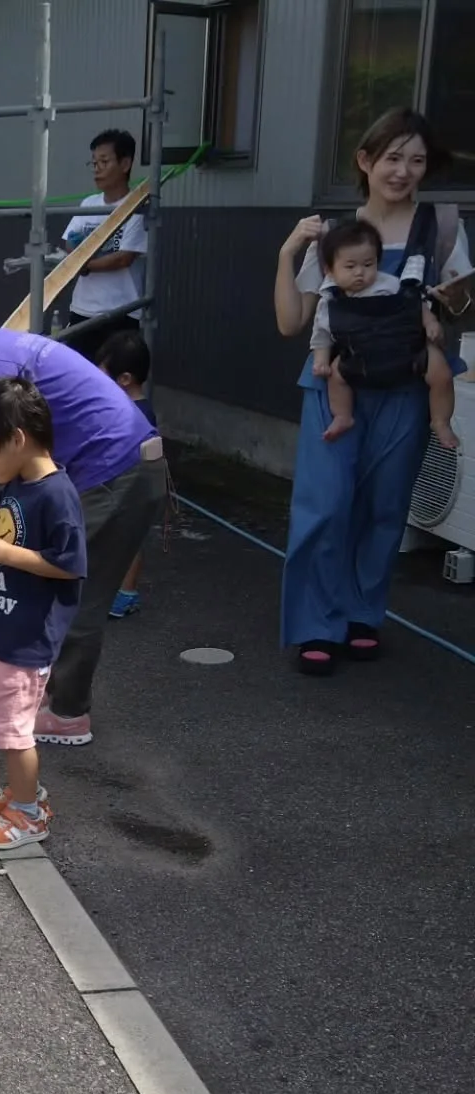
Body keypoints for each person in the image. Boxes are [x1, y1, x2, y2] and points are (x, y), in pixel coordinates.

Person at [0, 278, 164, 746]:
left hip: (114, 471)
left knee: (73, 588)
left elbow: (10, 439)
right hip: (123, 461)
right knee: (63, 581)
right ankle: (55, 700)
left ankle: (66, 713)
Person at [274, 108, 471, 676]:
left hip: (406, 385)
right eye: (392, 157)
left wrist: (445, 307)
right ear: (365, 161)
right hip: (336, 385)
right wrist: (287, 254)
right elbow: (293, 323)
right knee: (325, 504)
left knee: (386, 506)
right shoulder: (333, 232)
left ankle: (362, 613)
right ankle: (316, 624)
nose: (403, 170)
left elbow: (463, 307)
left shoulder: (445, 228)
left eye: (416, 160)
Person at [0, 377, 85, 852]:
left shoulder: (56, 494)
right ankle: (20, 793)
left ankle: (28, 813)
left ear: (16, 440)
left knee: (15, 729)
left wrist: (3, 554)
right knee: (4, 724)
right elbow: (10, 539)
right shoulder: (16, 485)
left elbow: (69, 568)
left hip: (26, 636)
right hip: (0, 626)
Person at [309, 218, 457, 448]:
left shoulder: (391, 284)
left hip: (407, 351)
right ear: (329, 270)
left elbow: (415, 304)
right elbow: (321, 336)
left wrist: (431, 323)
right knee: (336, 377)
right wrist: (320, 360)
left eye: (368, 264)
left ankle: (440, 420)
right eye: (350, 266)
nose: (360, 272)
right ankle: (343, 416)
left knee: (441, 374)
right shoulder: (329, 301)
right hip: (359, 358)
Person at [60, 129, 146, 360]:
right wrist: (77, 256)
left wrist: (83, 265)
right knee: (79, 376)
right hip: (82, 308)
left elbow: (124, 257)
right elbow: (70, 241)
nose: (97, 168)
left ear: (125, 163)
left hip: (120, 311)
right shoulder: (89, 203)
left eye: (104, 161)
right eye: (94, 162)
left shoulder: (136, 207)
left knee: (115, 380)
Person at [94, 329, 158, 619]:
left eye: (102, 376)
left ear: (125, 379)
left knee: (127, 541)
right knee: (123, 540)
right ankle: (122, 591)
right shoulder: (138, 407)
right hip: (131, 484)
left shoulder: (134, 413)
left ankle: (125, 593)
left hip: (128, 486)